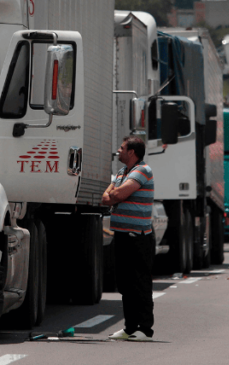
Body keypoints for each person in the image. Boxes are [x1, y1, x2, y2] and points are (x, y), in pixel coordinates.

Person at [102, 136, 155, 342]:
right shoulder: (123, 172)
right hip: (122, 234)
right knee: (125, 284)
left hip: (138, 237)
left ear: (132, 152)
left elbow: (116, 196)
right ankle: (130, 327)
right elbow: (106, 197)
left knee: (139, 283)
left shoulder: (142, 170)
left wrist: (114, 194)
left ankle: (145, 329)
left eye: (122, 148)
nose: (118, 151)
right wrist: (113, 194)